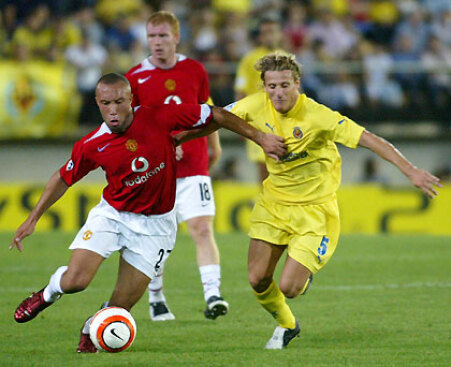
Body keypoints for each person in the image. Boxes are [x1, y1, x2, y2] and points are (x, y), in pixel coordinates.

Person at [10, 73, 287, 353]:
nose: (113, 109)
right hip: (113, 216)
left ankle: (91, 327)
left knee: (122, 305)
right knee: (75, 281)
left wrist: (260, 137)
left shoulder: (159, 116)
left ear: (131, 99)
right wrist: (32, 218)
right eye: (106, 103)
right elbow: (63, 177)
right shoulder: (92, 144)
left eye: (120, 101)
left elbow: (215, 115)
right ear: (97, 103)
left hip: (157, 226)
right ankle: (46, 295)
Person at [225, 53, 441, 349]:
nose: (278, 92)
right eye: (271, 86)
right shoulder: (254, 105)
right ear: (264, 87)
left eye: (284, 85)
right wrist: (176, 141)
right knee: (257, 278)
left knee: (289, 287)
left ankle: (303, 278)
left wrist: (411, 170)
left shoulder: (318, 116)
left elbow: (371, 139)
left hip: (315, 212)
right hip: (273, 204)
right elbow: (214, 116)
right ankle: (287, 325)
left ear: (297, 84)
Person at [125, 11, 227, 321]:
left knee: (202, 227)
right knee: (155, 239)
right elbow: (131, 127)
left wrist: (214, 145)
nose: (157, 42)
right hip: (155, 173)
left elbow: (205, 112)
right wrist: (161, 147)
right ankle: (156, 297)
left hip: (194, 165)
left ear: (176, 37)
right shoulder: (134, 77)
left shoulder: (195, 70)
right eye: (152, 36)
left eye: (163, 36)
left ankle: (213, 295)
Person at [234, 17, 284, 182]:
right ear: (260, 36)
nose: (269, 36)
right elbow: (240, 89)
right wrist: (239, 121)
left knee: (283, 166)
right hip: (258, 120)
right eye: (265, 33)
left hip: (282, 119)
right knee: (263, 166)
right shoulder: (249, 59)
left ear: (279, 34)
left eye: (272, 32)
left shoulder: (286, 58)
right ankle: (265, 202)